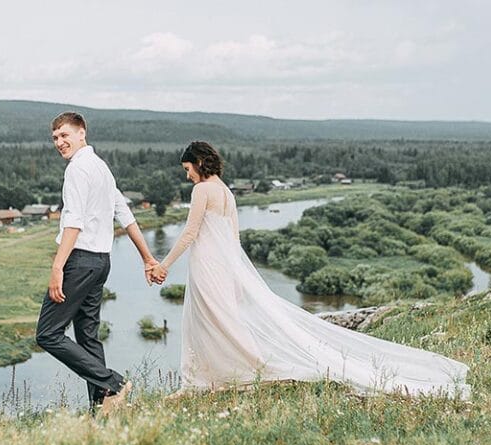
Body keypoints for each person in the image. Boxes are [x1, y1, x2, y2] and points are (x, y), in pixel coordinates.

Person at [149, 141, 470, 399]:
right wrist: (236, 275)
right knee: (226, 320)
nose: (186, 175)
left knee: (206, 321)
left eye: (187, 168)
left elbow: (191, 234)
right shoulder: (227, 192)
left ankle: (208, 379)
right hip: (221, 267)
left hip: (206, 266)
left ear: (199, 163)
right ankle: (223, 374)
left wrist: (163, 265)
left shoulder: (202, 190)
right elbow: (235, 238)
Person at [36, 112, 163, 415]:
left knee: (48, 334)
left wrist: (57, 268)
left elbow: (74, 222)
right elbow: (126, 215)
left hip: (79, 263)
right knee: (87, 336)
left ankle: (113, 383)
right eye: (55, 138)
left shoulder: (78, 169)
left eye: (64, 135)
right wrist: (147, 257)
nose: (59, 142)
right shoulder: (102, 168)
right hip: (100, 263)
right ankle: (102, 406)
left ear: (82, 133)